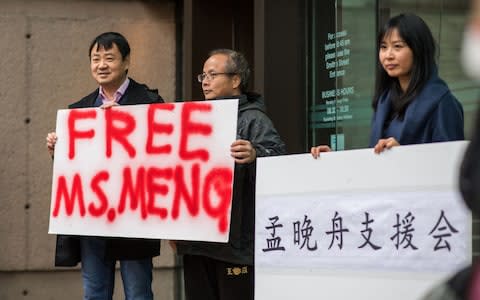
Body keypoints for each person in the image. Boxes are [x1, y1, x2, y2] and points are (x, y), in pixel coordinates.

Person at [45, 32, 163, 300]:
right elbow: (75, 169)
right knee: (95, 292)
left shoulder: (149, 103)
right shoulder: (80, 110)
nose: (101, 65)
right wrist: (59, 151)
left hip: (135, 217)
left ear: (126, 61)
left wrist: (127, 123)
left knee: (138, 292)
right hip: (93, 217)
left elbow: (163, 158)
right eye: (95, 59)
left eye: (109, 58)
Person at [174, 49, 287, 300]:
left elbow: (281, 161)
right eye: (203, 75)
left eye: (213, 75)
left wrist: (256, 153)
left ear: (236, 80)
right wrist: (175, 228)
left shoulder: (254, 119)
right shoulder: (193, 120)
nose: (205, 81)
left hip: (236, 244)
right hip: (197, 241)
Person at [311, 13, 464, 159]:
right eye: (384, 47)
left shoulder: (443, 103)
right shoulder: (385, 102)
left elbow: (449, 164)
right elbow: (373, 161)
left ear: (418, 50)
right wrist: (334, 160)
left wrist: (402, 156)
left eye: (397, 46)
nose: (388, 55)